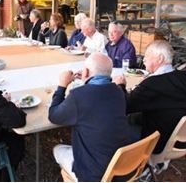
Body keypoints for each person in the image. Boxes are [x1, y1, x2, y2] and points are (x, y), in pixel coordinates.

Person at [50, 52, 131, 181]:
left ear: (86, 72)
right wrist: (85, 81)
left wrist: (62, 86)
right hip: (123, 166)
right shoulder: (118, 91)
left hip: (94, 174)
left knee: (57, 149)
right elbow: (97, 95)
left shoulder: (78, 96)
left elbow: (53, 116)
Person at [113, 40, 186, 154]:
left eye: (147, 56)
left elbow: (124, 106)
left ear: (160, 59)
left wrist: (120, 85)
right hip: (183, 136)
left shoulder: (152, 84)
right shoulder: (183, 77)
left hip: (159, 141)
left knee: (116, 126)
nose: (143, 60)